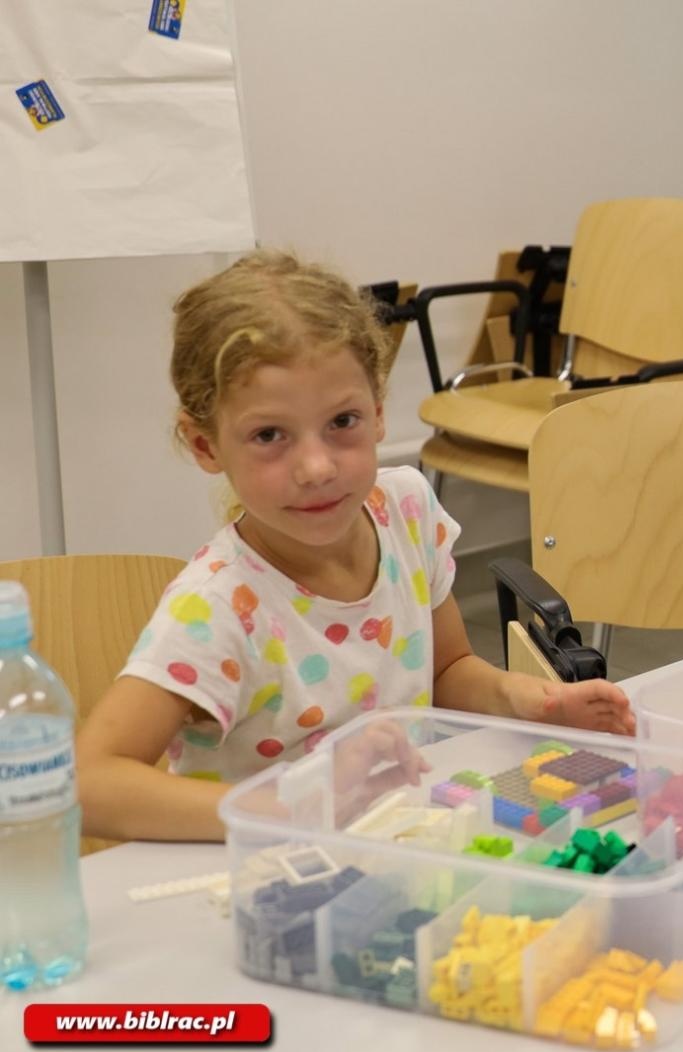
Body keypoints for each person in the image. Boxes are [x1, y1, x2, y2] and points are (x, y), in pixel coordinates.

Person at [76, 250, 633, 843]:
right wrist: (301, 809)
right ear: (205, 445)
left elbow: (447, 670)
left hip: (396, 846)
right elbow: (90, 785)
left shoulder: (405, 511)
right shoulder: (219, 608)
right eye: (269, 435)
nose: (317, 468)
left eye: (342, 422)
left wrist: (527, 700)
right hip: (273, 873)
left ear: (378, 411)